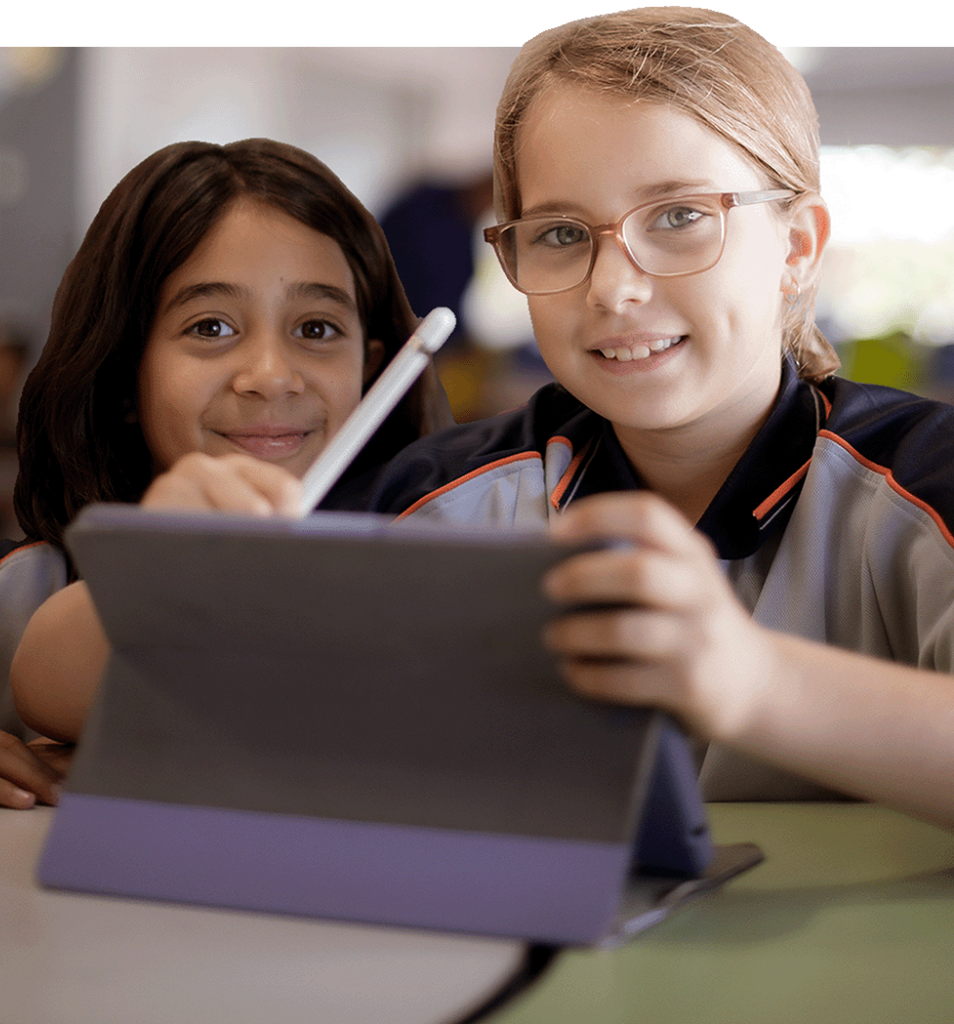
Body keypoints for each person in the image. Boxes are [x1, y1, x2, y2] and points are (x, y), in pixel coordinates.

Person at [363, 11, 954, 829]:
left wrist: (753, 682)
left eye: (678, 216)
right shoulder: (434, 506)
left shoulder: (928, 485)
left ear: (797, 247)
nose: (613, 288)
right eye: (564, 233)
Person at [0, 137, 450, 799]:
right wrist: (160, 565)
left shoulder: (444, 601)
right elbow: (48, 682)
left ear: (372, 371)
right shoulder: (6, 600)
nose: (270, 377)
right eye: (210, 327)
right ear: (122, 375)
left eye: (316, 329)